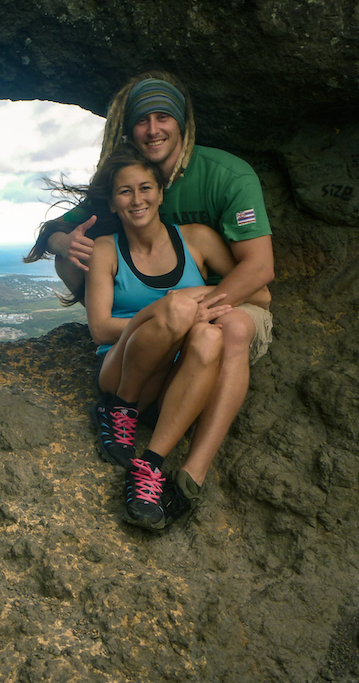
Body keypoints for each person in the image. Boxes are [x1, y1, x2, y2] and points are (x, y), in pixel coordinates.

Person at [25, 72, 274, 521]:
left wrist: (192, 302)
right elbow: (64, 226)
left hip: (213, 309)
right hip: (146, 337)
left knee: (229, 328)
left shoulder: (225, 179)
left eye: (164, 118)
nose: (153, 129)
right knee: (195, 322)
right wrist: (57, 240)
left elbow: (260, 275)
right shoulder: (129, 186)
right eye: (142, 120)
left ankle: (180, 473)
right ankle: (125, 414)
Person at [81, 146, 269, 530]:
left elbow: (261, 295)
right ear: (113, 203)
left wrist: (193, 307)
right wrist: (169, 311)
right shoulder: (106, 248)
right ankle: (118, 408)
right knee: (181, 313)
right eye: (125, 192)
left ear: (162, 193)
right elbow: (100, 328)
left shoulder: (197, 240)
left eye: (146, 188)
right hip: (122, 370)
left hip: (177, 386)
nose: (137, 200)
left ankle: (149, 468)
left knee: (208, 338)